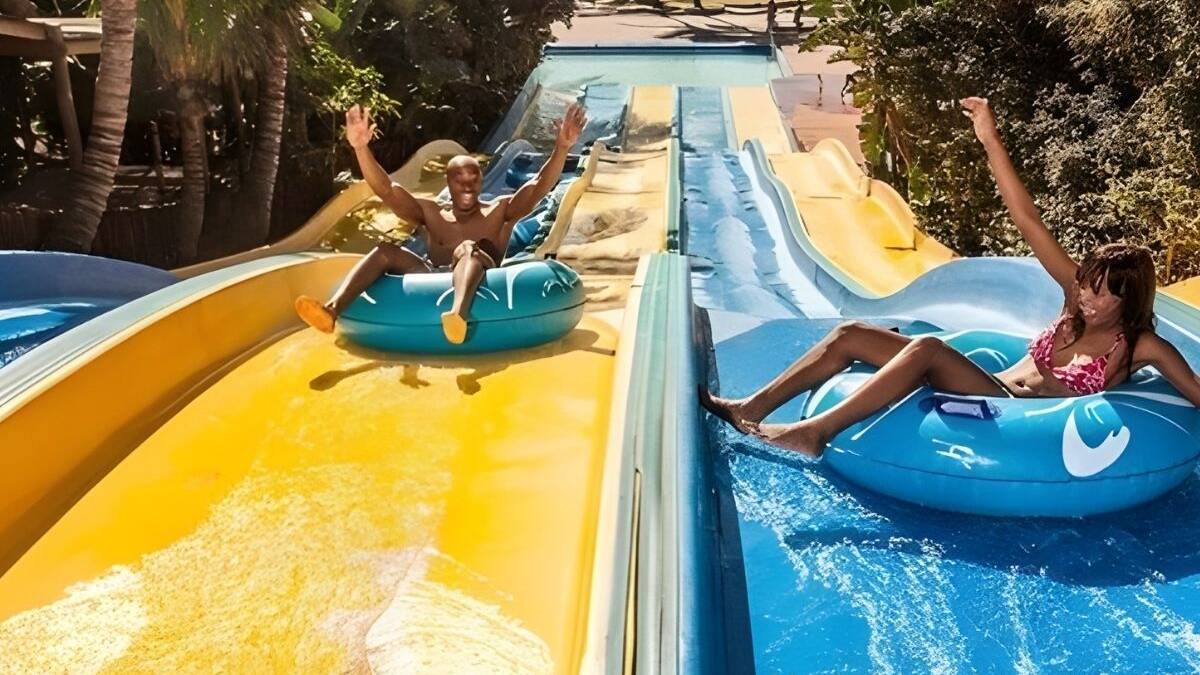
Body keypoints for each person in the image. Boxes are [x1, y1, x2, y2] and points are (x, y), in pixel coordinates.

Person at [700, 96, 1200, 457]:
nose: (1085, 295)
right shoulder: (1075, 304)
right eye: (1085, 282)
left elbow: (1195, 391)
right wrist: (990, 139)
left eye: (1100, 293)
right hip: (991, 383)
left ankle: (815, 433)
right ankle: (751, 407)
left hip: (1013, 411)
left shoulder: (1141, 346)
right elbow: (1028, 220)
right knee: (850, 333)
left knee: (927, 348)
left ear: (1127, 299)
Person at [294, 102, 587, 343]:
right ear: (448, 184)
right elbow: (387, 190)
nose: (467, 186)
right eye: (459, 180)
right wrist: (360, 148)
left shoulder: (499, 212)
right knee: (385, 250)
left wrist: (562, 148)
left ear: (481, 182)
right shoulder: (433, 214)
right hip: (433, 276)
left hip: (483, 279)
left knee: (468, 248)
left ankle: (458, 314)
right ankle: (331, 311)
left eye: (473, 179)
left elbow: (538, 186)